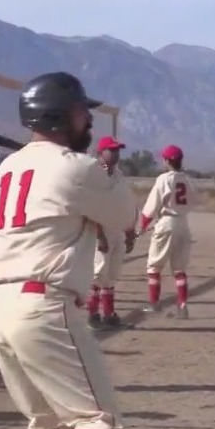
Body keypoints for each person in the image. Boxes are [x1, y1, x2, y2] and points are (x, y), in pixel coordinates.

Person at [0, 72, 137, 429]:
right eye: (78, 113)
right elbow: (125, 218)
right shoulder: (78, 168)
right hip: (45, 305)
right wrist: (102, 176)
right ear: (55, 116)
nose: (87, 122)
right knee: (99, 425)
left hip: (2, 308)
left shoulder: (5, 171)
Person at [85, 136, 137, 330]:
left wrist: (130, 230)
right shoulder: (95, 175)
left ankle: (109, 314)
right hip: (102, 230)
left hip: (118, 230)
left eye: (118, 150)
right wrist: (99, 235)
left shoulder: (119, 176)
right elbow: (91, 207)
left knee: (112, 274)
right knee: (99, 272)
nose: (116, 154)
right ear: (101, 153)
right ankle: (93, 314)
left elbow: (127, 203)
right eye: (112, 150)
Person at [139, 145, 194, 318]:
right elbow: (192, 200)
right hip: (183, 223)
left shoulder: (163, 179)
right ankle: (183, 306)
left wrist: (142, 225)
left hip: (166, 222)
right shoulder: (186, 179)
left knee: (154, 266)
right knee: (179, 269)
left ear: (167, 160)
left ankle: (155, 304)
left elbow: (151, 206)